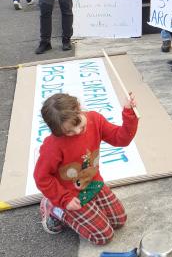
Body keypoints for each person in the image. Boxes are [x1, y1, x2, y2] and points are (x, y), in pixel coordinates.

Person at [33, 92, 138, 245]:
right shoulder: (53, 145)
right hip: (70, 194)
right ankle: (55, 209)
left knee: (119, 220)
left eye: (77, 125)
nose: (75, 132)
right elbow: (41, 177)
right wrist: (64, 199)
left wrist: (129, 113)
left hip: (93, 183)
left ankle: (86, 210)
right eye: (67, 131)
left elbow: (121, 138)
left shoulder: (95, 119)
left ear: (79, 108)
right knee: (103, 236)